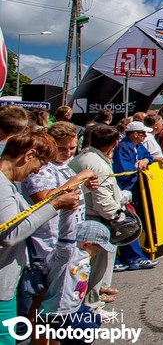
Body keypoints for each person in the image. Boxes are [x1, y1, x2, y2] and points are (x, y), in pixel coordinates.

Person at [1, 132, 81, 332]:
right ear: (29, 155)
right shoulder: (2, 186)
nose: (38, 171)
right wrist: (55, 204)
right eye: (42, 163)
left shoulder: (8, 184)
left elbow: (25, 215)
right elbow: (11, 233)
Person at [18, 123, 99, 318]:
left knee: (59, 303)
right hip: (46, 246)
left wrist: (86, 186)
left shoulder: (65, 167)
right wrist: (80, 176)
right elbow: (45, 199)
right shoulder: (41, 169)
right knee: (41, 303)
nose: (68, 153)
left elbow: (70, 193)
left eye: (72, 148)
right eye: (62, 148)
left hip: (68, 241)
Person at [69, 125, 129, 310]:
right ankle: (91, 305)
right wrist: (118, 217)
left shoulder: (88, 157)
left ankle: (93, 297)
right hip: (94, 220)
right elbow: (102, 200)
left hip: (85, 217)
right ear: (114, 143)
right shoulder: (97, 164)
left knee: (90, 266)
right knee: (92, 267)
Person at [38, 220, 113, 341]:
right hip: (59, 313)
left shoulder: (83, 257)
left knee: (95, 319)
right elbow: (65, 238)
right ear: (86, 245)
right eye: (97, 249)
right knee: (88, 332)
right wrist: (69, 209)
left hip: (74, 307)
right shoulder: (68, 257)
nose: (96, 253)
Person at [111, 122, 156, 272]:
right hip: (123, 190)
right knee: (125, 223)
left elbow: (147, 155)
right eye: (143, 133)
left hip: (134, 190)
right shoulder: (122, 148)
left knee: (131, 221)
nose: (145, 136)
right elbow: (124, 170)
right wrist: (137, 169)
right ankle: (132, 257)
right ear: (134, 134)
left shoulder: (137, 146)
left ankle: (133, 256)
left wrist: (145, 160)